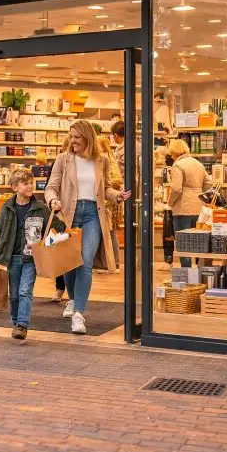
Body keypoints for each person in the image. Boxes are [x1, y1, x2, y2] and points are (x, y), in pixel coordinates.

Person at [45, 120, 131, 334]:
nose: (72, 140)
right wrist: (52, 200)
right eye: (71, 136)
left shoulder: (101, 160)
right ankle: (73, 299)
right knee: (69, 262)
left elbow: (107, 188)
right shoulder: (63, 160)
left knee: (85, 262)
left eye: (77, 137)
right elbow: (51, 187)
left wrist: (117, 196)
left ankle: (79, 314)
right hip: (68, 214)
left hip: (93, 214)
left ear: (87, 137)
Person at [0, 169, 64, 340]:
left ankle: (22, 324)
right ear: (15, 187)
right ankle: (16, 322)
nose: (30, 186)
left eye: (31, 183)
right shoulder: (7, 207)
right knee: (14, 294)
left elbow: (58, 226)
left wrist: (56, 217)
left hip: (31, 258)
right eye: (25, 183)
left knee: (25, 291)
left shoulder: (40, 208)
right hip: (12, 257)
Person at [168, 139, 213, 268]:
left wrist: (171, 203)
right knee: (199, 242)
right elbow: (209, 184)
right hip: (199, 208)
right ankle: (200, 270)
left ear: (175, 153)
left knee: (184, 243)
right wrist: (199, 193)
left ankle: (187, 273)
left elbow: (176, 189)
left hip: (183, 209)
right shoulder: (198, 164)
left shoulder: (178, 165)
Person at [33, 151, 65, 303]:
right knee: (58, 252)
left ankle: (65, 291)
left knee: (68, 253)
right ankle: (60, 287)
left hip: (72, 215)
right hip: (59, 214)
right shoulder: (59, 162)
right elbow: (49, 188)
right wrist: (53, 202)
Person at [98, 136, 123, 271]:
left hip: (109, 203)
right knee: (106, 233)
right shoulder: (108, 158)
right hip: (107, 202)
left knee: (111, 232)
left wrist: (101, 186)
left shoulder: (107, 159)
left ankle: (116, 263)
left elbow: (117, 181)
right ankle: (107, 263)